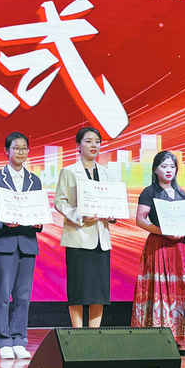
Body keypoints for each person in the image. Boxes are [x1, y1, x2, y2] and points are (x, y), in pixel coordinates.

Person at [131, 151, 185, 355]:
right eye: (164, 166)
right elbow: (140, 220)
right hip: (159, 246)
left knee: (180, 290)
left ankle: (177, 340)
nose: (169, 170)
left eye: (172, 166)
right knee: (159, 290)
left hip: (179, 248)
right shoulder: (149, 192)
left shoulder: (180, 193)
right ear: (155, 169)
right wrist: (161, 230)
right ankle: (156, 340)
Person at [0, 132, 43, 360]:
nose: (21, 152)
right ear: (6, 151)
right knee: (2, 294)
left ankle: (19, 338)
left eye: (24, 148)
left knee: (23, 296)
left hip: (27, 243)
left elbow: (39, 210)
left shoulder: (34, 180)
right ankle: (3, 340)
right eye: (16, 148)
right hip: (3, 242)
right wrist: (3, 222)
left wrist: (38, 222)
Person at [54, 126, 115, 328]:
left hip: (101, 239)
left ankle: (94, 335)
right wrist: (80, 216)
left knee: (99, 292)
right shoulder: (69, 172)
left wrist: (113, 214)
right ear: (78, 146)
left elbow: (112, 201)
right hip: (78, 238)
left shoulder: (106, 174)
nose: (93, 145)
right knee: (78, 290)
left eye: (97, 142)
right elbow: (60, 201)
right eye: (88, 141)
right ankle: (78, 334)